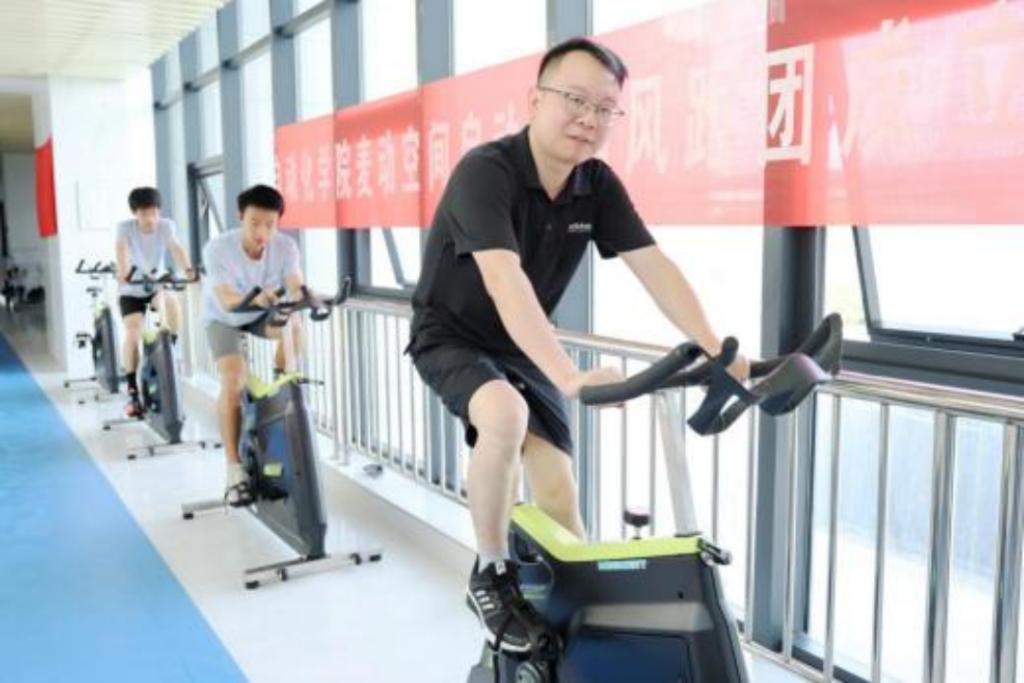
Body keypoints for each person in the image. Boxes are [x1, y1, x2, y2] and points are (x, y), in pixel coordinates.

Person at [406, 37, 750, 653]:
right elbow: (505, 281)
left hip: (519, 346)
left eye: (605, 108)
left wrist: (719, 350)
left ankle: (577, 633)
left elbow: (653, 265)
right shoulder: (486, 172)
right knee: (503, 413)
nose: (589, 118)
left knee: (560, 495)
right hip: (450, 333)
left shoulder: (596, 185)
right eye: (574, 99)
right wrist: (567, 374)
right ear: (535, 99)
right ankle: (490, 572)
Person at [200, 184, 305, 502]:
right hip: (224, 317)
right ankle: (233, 469)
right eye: (255, 223)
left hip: (260, 314)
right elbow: (226, 297)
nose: (262, 232)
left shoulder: (285, 247)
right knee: (234, 380)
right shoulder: (217, 248)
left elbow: (295, 285)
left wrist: (305, 296)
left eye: (270, 225)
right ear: (240, 217)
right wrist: (255, 298)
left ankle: (278, 397)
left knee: (293, 327)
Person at [115, 187, 193, 417]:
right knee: (133, 334)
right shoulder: (125, 228)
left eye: (154, 213)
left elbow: (176, 248)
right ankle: (132, 391)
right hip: (131, 288)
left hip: (155, 284)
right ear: (135, 213)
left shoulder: (166, 226)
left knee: (172, 304)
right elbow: (121, 251)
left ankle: (170, 351)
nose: (150, 219)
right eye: (144, 214)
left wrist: (189, 270)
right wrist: (124, 272)